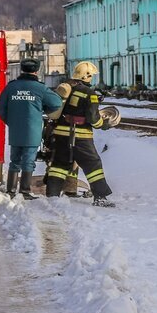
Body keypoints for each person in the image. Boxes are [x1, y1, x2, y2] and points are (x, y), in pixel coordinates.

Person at [45, 61, 115, 206]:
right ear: (87, 76)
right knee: (93, 164)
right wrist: (104, 124)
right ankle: (100, 197)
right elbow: (93, 118)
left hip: (60, 134)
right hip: (80, 136)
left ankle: (52, 195)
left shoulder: (66, 88)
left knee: (59, 164)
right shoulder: (89, 93)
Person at [0, 59, 63, 199]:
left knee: (15, 160)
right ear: (36, 71)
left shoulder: (11, 87)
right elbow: (57, 103)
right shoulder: (39, 88)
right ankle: (25, 191)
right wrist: (44, 109)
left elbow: (1, 109)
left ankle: (11, 190)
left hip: (15, 130)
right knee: (28, 160)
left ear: (22, 69)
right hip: (32, 130)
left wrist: (11, 122)